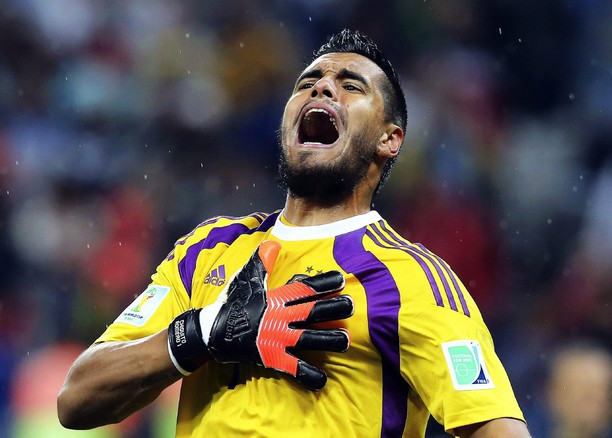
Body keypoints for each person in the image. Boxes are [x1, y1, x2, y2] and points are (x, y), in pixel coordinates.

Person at [57, 29, 530, 437]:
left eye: (350, 86)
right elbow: (77, 399)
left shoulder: (411, 280)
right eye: (308, 82)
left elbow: (495, 425)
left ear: (390, 139)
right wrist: (203, 332)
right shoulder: (209, 249)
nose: (322, 88)